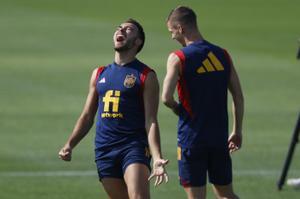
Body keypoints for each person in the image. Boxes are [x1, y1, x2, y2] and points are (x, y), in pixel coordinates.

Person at [59, 18, 168, 199]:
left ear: (138, 41)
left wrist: (157, 157)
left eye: (128, 29)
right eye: (119, 28)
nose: (121, 30)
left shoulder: (146, 75)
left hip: (133, 146)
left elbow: (151, 120)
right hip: (105, 148)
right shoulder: (99, 73)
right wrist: (70, 144)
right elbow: (87, 116)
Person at [162, 6, 244, 199]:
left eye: (171, 31)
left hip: (192, 140)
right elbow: (238, 96)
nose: (172, 36)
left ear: (181, 28)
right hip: (219, 138)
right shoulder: (223, 54)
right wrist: (237, 131)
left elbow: (166, 97)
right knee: (226, 195)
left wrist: (178, 109)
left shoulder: (178, 58)